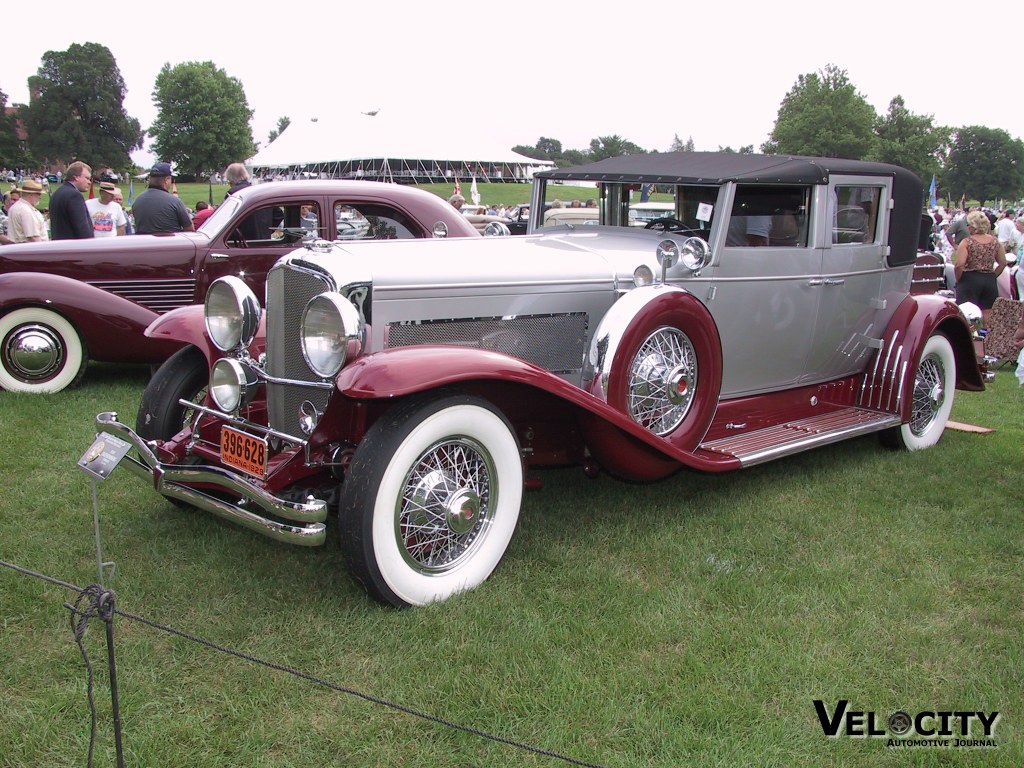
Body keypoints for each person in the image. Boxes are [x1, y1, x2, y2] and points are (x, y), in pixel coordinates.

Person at [954, 210, 1007, 325]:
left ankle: (970, 338)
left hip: (970, 278)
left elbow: (959, 264)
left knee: (966, 312)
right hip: (989, 279)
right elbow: (1002, 262)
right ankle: (986, 338)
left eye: (968, 225)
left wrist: (959, 279)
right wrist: (993, 275)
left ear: (973, 227)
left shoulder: (967, 242)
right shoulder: (995, 242)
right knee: (987, 312)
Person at [132, 162, 194, 234]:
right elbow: (190, 230)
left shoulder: (138, 200)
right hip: (170, 243)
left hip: (143, 244)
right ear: (166, 179)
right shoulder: (175, 201)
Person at [49, 161, 94, 239]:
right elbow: (83, 230)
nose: (89, 182)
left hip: (59, 245)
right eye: (87, 178)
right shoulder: (74, 196)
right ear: (76, 177)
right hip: (74, 247)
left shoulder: (58, 193)